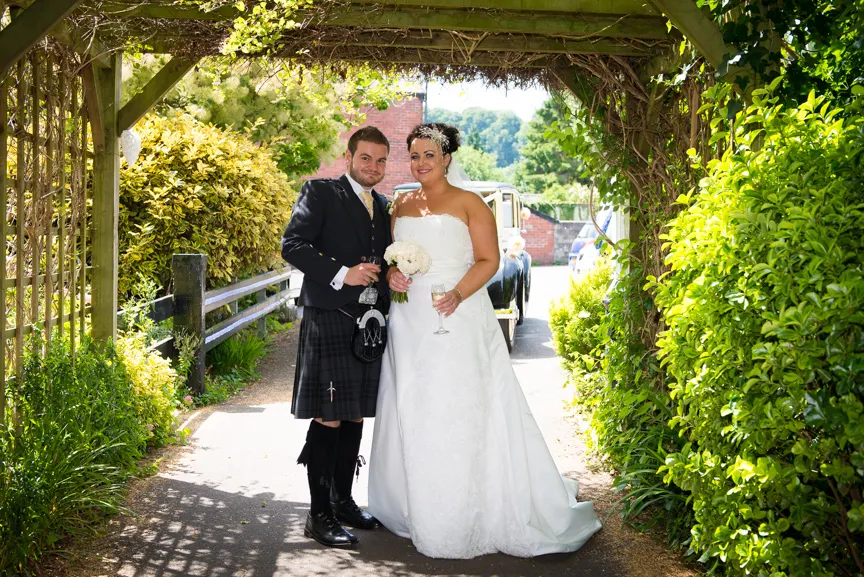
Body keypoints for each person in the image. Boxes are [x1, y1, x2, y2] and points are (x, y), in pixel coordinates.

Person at [367, 123, 602, 559]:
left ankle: (467, 507)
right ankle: (412, 501)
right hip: (409, 318)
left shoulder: (470, 202)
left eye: (429, 157)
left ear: (447, 159)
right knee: (411, 400)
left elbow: (489, 260)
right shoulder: (400, 203)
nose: (421, 164)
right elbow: (390, 257)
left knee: (456, 403)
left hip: (457, 312)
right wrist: (394, 274)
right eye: (414, 156)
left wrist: (456, 293)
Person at [281, 126, 392, 548]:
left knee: (355, 413)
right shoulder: (320, 193)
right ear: (349, 157)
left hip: (368, 323)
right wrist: (342, 273)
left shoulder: (383, 206)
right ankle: (318, 514)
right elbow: (292, 244)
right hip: (330, 315)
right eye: (366, 158)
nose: (373, 167)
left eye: (380, 160)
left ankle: (343, 501)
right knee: (329, 414)